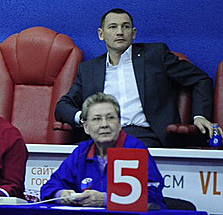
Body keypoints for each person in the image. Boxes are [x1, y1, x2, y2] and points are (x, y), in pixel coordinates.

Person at [56, 8, 216, 148]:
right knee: (75, 161)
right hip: (101, 137)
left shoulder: (156, 55)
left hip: (145, 136)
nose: (120, 32)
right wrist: (85, 118)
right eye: (113, 27)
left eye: (125, 27)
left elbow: (201, 79)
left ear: (133, 34)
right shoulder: (89, 69)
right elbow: (63, 106)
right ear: (101, 34)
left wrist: (200, 116)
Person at [42, 93, 165, 209]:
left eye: (110, 118)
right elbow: (49, 187)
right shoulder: (82, 152)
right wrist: (61, 194)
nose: (104, 124)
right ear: (86, 127)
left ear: (120, 123)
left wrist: (106, 200)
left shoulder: (134, 149)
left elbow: (153, 196)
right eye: (96, 119)